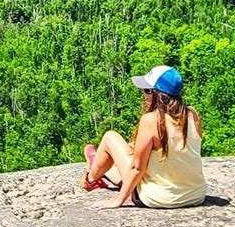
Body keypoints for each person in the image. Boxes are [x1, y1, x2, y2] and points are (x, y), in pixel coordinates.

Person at [81, 65, 207, 210]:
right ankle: (103, 168)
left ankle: (91, 178)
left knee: (110, 137)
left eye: (147, 91)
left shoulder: (151, 120)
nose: (144, 95)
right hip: (196, 195)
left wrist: (118, 200)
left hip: (159, 198)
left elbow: (136, 168)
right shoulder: (192, 114)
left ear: (159, 95)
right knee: (130, 148)